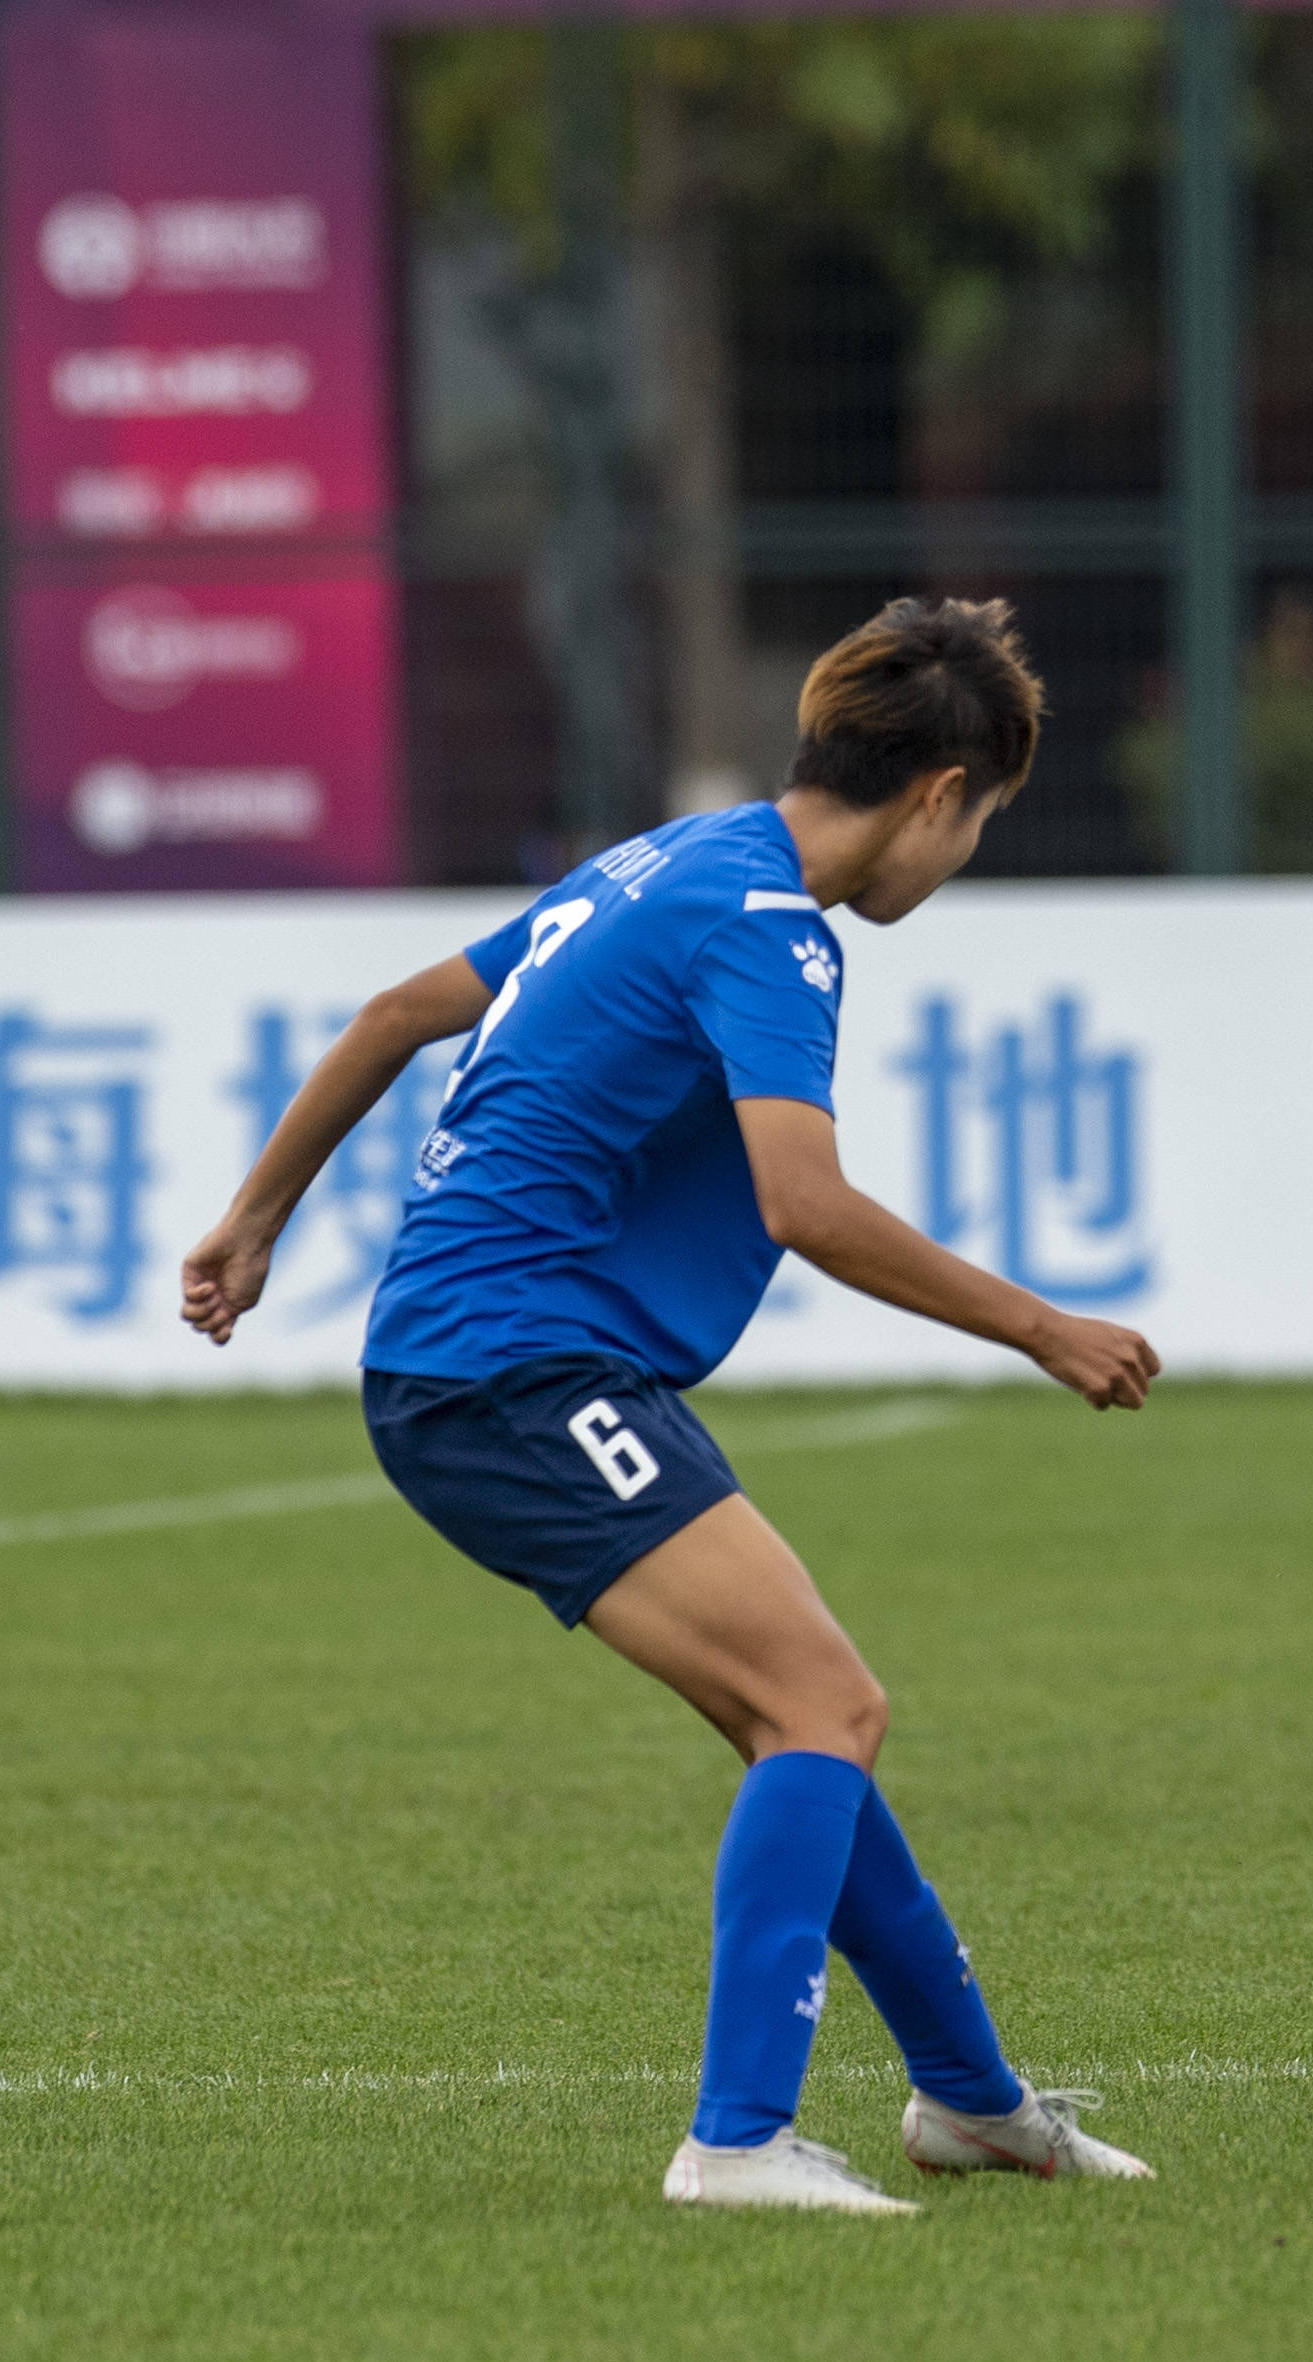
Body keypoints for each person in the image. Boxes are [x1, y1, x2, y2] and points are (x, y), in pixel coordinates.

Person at [181, 597, 1169, 2210]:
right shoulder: (769, 924)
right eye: (980, 823)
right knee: (825, 1708)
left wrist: (256, 1214)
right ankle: (736, 2141)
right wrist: (1040, 1325)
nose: (961, 854)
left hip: (504, 1359)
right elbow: (806, 1202)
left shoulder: (670, 857)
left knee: (804, 1716)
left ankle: (972, 2103)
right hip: (513, 1369)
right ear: (941, 795)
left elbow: (397, 1014)